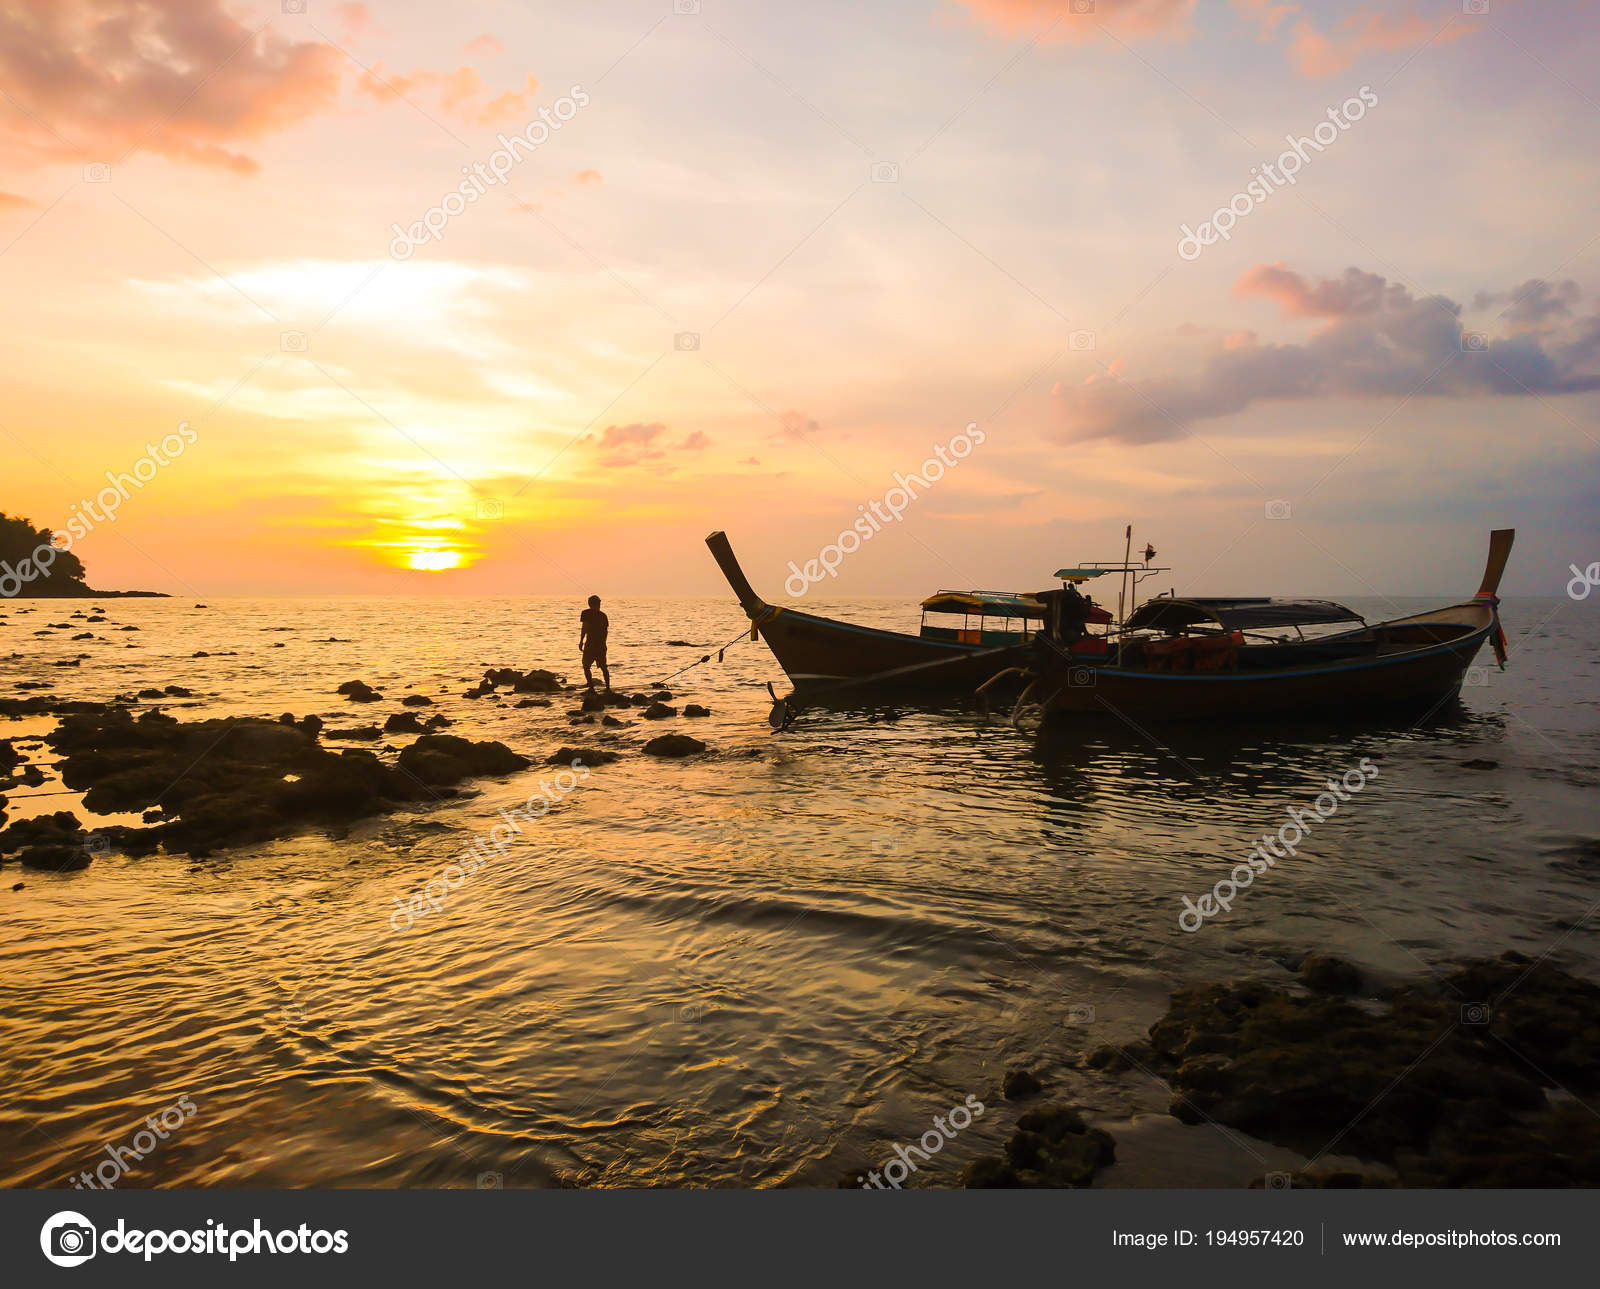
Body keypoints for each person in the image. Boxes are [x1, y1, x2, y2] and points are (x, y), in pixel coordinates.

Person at [579, 595, 611, 690]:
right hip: (600, 645)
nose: (599, 605)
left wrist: (581, 641)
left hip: (591, 645)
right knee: (603, 667)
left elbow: (585, 627)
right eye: (598, 603)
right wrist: (603, 644)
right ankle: (608, 687)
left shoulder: (586, 613)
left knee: (586, 666)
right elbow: (606, 632)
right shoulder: (603, 615)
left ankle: (591, 687)